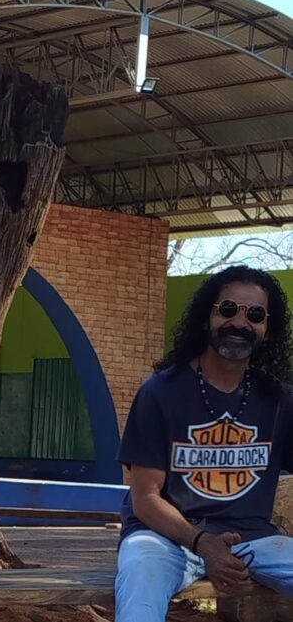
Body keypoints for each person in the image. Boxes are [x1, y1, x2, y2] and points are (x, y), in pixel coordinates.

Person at [115, 265, 293, 622]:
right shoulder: (160, 392)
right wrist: (203, 542)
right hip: (163, 538)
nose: (239, 323)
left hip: (254, 538)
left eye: (255, 315)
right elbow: (145, 498)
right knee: (139, 602)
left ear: (267, 329)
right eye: (228, 309)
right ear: (205, 317)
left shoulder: (278, 399)